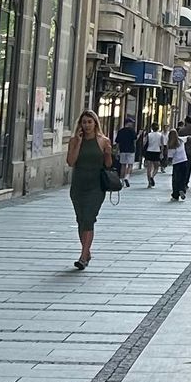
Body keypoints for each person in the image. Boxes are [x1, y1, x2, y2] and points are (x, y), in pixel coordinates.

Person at [66, 111, 114, 271]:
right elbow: (71, 162)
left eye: (89, 122)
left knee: (88, 219)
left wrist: (108, 153)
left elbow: (108, 164)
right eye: (84, 122)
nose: (86, 125)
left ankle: (82, 257)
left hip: (96, 187)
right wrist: (79, 143)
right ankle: (87, 252)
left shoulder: (103, 141)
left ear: (95, 123)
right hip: (78, 186)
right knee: (81, 220)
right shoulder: (74, 141)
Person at [115, 114, 138, 185]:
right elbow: (134, 141)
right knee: (130, 165)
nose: (132, 124)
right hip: (130, 150)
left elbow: (117, 142)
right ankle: (127, 177)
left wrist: (117, 151)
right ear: (128, 123)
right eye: (131, 123)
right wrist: (135, 148)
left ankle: (122, 181)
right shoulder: (132, 131)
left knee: (123, 165)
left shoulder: (120, 131)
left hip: (122, 150)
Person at [144, 121, 165, 188]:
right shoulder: (160, 135)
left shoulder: (149, 135)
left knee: (149, 168)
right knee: (156, 167)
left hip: (149, 151)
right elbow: (162, 145)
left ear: (151, 128)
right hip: (157, 151)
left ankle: (149, 183)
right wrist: (161, 153)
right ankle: (152, 177)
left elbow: (144, 143)